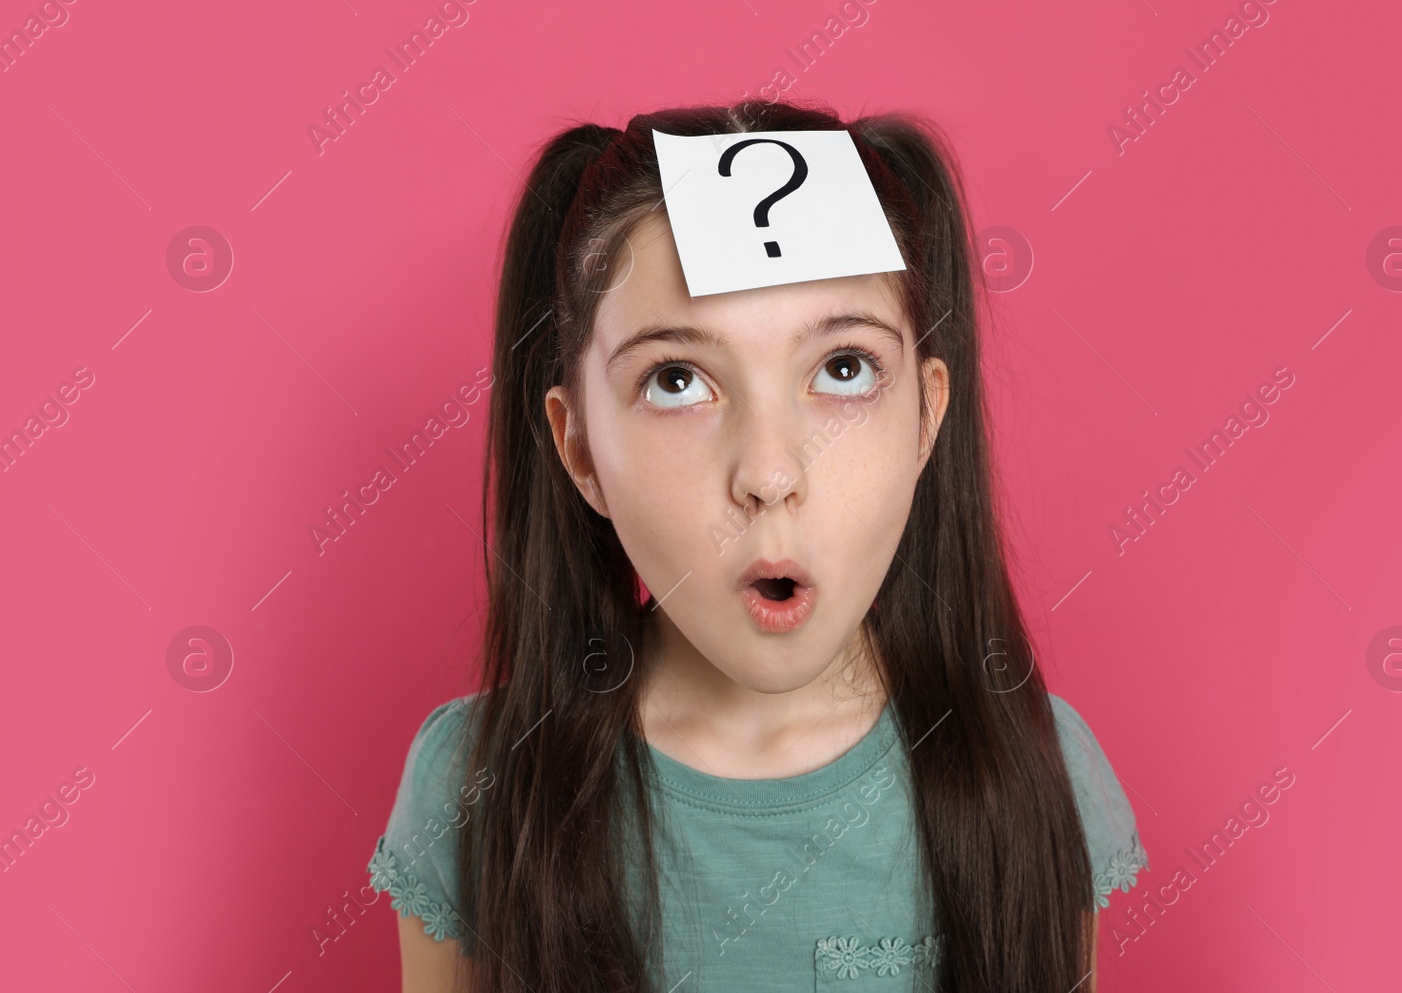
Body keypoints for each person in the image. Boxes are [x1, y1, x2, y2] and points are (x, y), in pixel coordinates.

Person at [368, 100, 1147, 992]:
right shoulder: (476, 788)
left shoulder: (1032, 771)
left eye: (843, 368)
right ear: (578, 445)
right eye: (677, 380)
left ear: (928, 415)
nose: (771, 472)